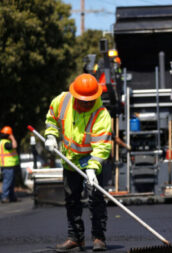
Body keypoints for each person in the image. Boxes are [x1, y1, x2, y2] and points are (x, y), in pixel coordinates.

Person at [44, 73, 112, 252]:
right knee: (72, 200)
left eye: (90, 100)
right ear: (75, 95)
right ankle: (75, 238)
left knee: (96, 199)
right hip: (69, 160)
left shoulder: (101, 114)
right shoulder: (62, 101)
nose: (87, 104)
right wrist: (51, 135)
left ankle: (99, 238)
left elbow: (102, 147)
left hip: (91, 160)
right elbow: (51, 119)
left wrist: (92, 168)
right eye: (83, 101)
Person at [0, 126, 19, 203]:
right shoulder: (6, 143)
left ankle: (12, 196)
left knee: (11, 182)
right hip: (8, 165)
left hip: (7, 165)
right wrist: (13, 138)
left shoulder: (2, 142)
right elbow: (14, 146)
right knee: (8, 181)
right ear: (9, 134)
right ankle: (4, 197)